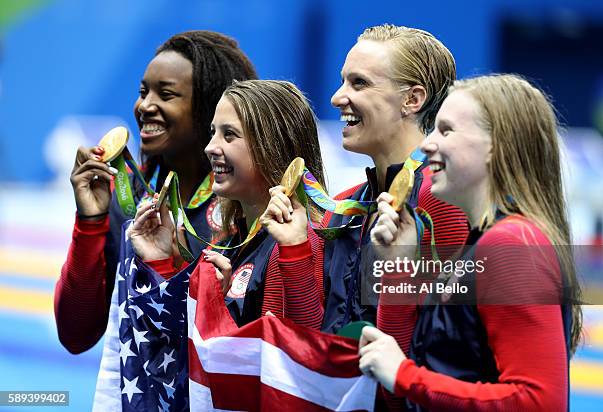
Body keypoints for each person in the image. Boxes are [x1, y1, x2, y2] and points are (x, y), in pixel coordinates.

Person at [361, 74, 583, 411]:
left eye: (446, 130)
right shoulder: (482, 244)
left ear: (496, 145)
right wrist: (401, 264)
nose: (425, 144)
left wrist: (406, 375)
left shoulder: (510, 244)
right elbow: (415, 383)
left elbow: (540, 402)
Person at [54, 31, 257, 354]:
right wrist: (90, 222)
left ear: (212, 107)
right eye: (143, 91)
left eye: (166, 94)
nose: (145, 106)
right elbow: (76, 334)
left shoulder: (249, 203)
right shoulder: (128, 197)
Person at [129, 79, 327, 329]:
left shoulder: (294, 245)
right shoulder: (229, 243)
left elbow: (294, 351)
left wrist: (293, 253)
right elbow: (187, 351)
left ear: (273, 146)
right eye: (213, 133)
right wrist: (159, 261)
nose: (210, 147)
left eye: (229, 135)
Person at [321, 24, 468, 333]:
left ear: (412, 100)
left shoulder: (443, 199)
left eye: (359, 83)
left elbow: (458, 338)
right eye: (342, 81)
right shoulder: (342, 208)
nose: (337, 97)